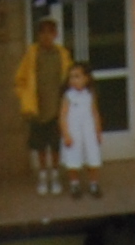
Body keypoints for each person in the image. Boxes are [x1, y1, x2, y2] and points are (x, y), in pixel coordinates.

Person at [14, 14, 68, 196]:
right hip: (37, 108)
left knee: (54, 145)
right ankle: (43, 176)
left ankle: (55, 175)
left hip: (56, 108)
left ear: (56, 34)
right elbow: (20, 79)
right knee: (40, 146)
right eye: (42, 32)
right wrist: (25, 98)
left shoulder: (62, 54)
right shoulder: (32, 54)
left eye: (50, 32)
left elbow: (68, 79)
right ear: (38, 35)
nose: (46, 36)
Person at [58, 61, 101, 200]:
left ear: (86, 78)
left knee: (92, 156)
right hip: (73, 131)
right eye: (71, 77)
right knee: (73, 158)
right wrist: (66, 134)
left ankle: (94, 183)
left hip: (88, 130)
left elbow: (94, 113)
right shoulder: (68, 96)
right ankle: (74, 184)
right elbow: (63, 116)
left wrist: (98, 131)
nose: (73, 80)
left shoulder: (89, 94)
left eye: (77, 76)